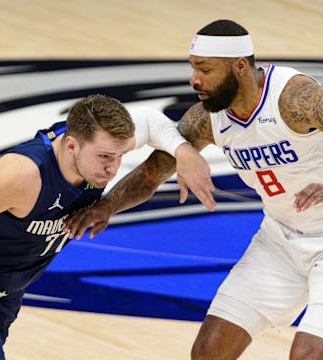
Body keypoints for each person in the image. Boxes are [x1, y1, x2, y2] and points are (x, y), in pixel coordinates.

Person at [65, 20, 323, 359]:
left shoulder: (295, 97)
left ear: (240, 67)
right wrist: (107, 207)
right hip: (279, 240)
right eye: (192, 68)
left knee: (307, 354)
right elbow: (151, 173)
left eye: (205, 69)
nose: (194, 79)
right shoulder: (207, 119)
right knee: (208, 353)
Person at [0, 93, 214, 360]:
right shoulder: (22, 176)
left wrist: (184, 151)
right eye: (105, 157)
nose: (112, 169)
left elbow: (150, 122)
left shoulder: (98, 144)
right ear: (71, 146)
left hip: (7, 293)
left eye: (120, 156)